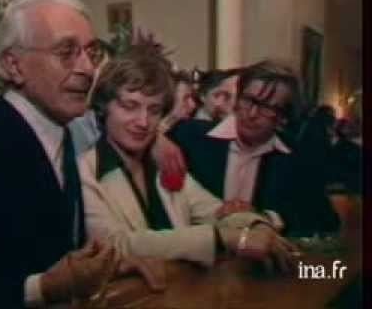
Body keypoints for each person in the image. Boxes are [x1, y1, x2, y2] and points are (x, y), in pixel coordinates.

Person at [0, 0, 165, 309]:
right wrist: (43, 287)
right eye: (66, 52)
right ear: (14, 65)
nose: (87, 69)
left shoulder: (62, 138)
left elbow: (52, 250)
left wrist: (103, 267)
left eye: (90, 52)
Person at [79, 45, 298, 270]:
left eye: (154, 110)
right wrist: (221, 238)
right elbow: (115, 245)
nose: (143, 121)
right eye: (130, 106)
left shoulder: (162, 163)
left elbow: (216, 211)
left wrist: (256, 225)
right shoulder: (85, 171)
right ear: (104, 106)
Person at [167, 60, 340, 235]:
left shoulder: (297, 158)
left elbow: (325, 221)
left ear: (283, 117)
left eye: (266, 107)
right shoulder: (189, 136)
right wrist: (159, 142)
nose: (252, 114)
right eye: (249, 100)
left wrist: (267, 218)